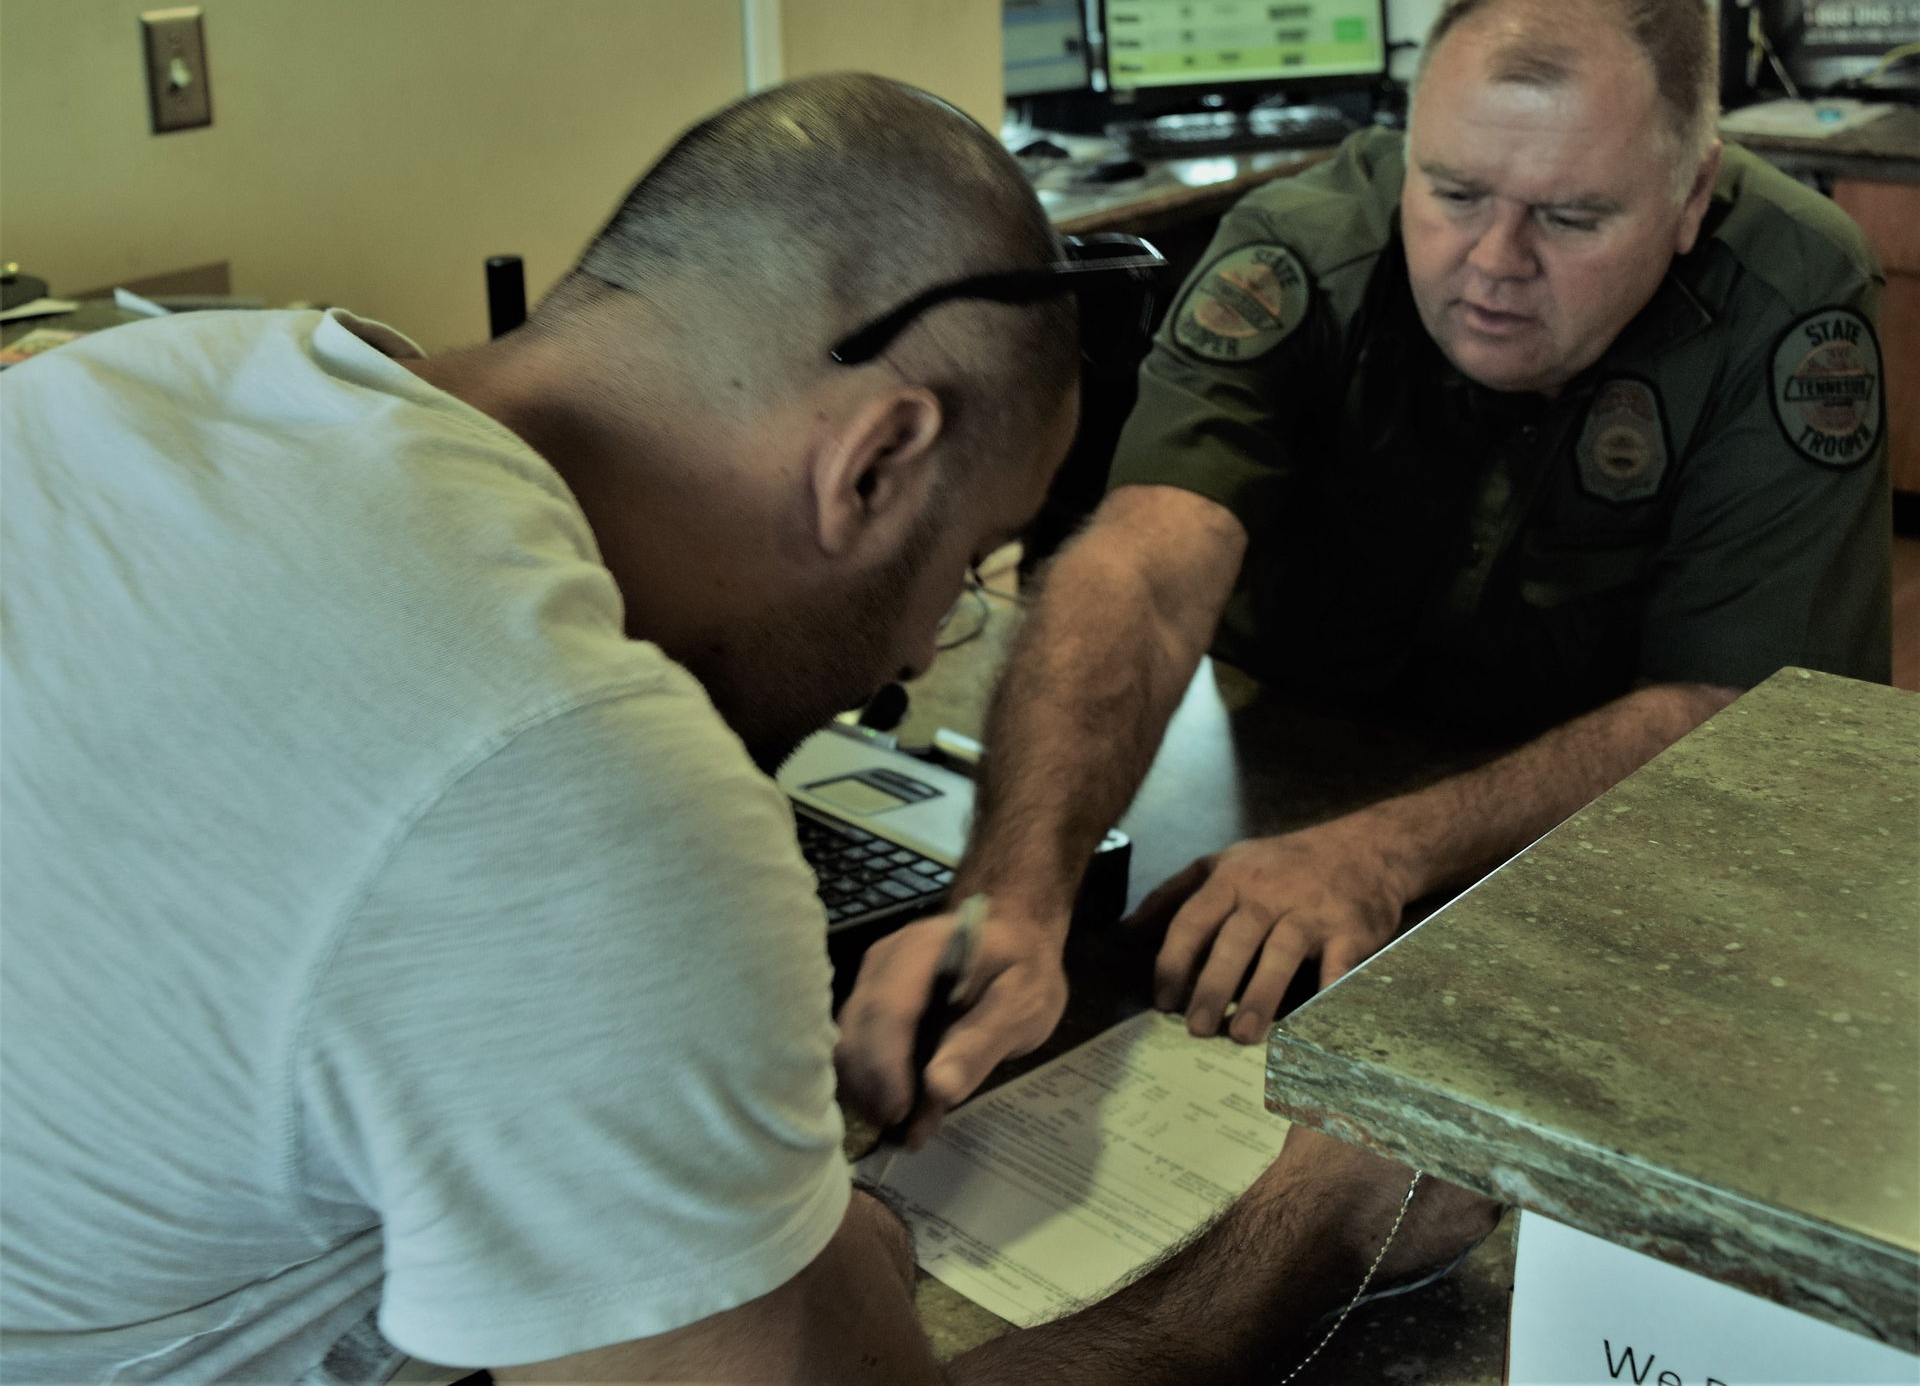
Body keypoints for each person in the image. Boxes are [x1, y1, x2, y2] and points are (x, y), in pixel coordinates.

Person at [1, 74, 1495, 1385]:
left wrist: (750, 1237)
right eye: (966, 562)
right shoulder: (578, 781)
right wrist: (1320, 1220)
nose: (925, 645)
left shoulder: (129, 383)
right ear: (876, 458)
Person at [836, 0, 1894, 1144]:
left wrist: (1387, 852)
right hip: (1283, 756)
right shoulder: (1299, 248)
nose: (1493, 261)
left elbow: (1737, 709)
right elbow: (1140, 564)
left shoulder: (1791, 290)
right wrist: (1016, 902)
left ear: (1692, 193)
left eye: (1571, 216)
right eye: (1451, 190)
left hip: (1606, 834)